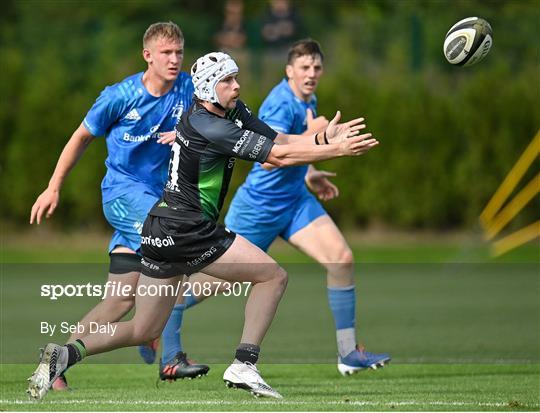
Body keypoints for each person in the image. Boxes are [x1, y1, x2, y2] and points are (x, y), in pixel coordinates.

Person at [27, 51, 378, 401]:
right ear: (209, 89)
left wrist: (321, 140)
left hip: (160, 226)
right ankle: (244, 363)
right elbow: (277, 158)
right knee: (272, 277)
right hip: (186, 228)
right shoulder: (211, 125)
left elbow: (278, 141)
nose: (236, 85)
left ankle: (64, 353)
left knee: (144, 328)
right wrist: (337, 150)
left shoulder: (229, 111)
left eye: (236, 77)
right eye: (227, 80)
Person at [29, 21, 209, 389]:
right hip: (122, 195)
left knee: (118, 301)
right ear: (148, 56)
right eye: (166, 53)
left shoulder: (190, 89)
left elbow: (228, 117)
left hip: (158, 201)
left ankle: (54, 361)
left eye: (179, 52)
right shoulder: (119, 95)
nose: (175, 60)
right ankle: (168, 353)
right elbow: (81, 137)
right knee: (178, 245)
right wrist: (53, 187)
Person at [225, 39, 391, 376]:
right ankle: (159, 326)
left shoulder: (308, 99)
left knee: (341, 259)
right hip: (258, 207)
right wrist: (318, 137)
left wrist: (310, 173)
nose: (311, 73)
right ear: (289, 71)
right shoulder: (280, 104)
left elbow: (297, 152)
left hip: (295, 202)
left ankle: (348, 353)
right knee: (211, 285)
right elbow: (270, 160)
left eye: (316, 67)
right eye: (304, 67)